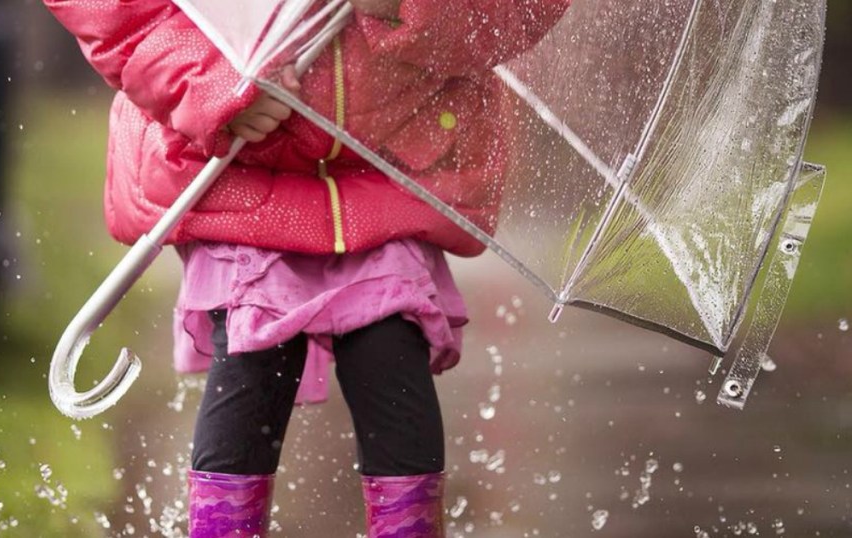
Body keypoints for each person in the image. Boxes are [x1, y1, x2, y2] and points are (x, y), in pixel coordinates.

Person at [43, 0, 570, 536]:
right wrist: (208, 82)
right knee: (253, 365)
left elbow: (512, 14)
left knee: (391, 357)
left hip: (383, 172)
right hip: (242, 170)